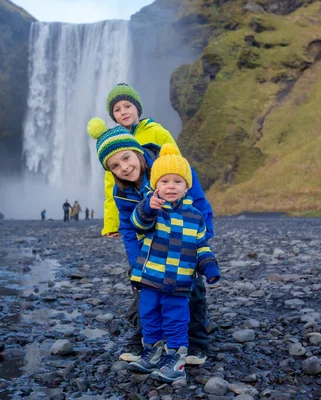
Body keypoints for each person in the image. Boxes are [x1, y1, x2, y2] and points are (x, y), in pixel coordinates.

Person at [87, 118, 214, 366]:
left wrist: (201, 243)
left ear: (136, 151)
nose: (123, 167)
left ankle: (197, 342)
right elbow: (126, 226)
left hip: (185, 239)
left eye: (126, 158)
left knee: (193, 288)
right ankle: (143, 340)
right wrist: (136, 263)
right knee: (143, 288)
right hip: (151, 247)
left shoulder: (170, 167)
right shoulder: (120, 190)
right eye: (114, 166)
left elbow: (198, 201)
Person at [127, 144, 221, 382]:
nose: (170, 187)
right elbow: (138, 222)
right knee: (149, 316)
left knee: (176, 320)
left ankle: (176, 361)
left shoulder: (195, 217)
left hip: (179, 282)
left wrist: (209, 266)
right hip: (150, 279)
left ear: (187, 186)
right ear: (155, 185)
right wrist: (148, 206)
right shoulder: (151, 210)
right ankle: (151, 353)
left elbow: (201, 246)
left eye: (177, 182)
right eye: (164, 181)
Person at [101, 83, 177, 238]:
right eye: (117, 110)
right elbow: (112, 186)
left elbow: (180, 166)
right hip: (137, 213)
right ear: (113, 116)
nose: (123, 112)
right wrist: (111, 223)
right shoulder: (114, 145)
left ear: (137, 107)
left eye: (127, 106)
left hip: (166, 205)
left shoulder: (157, 132)